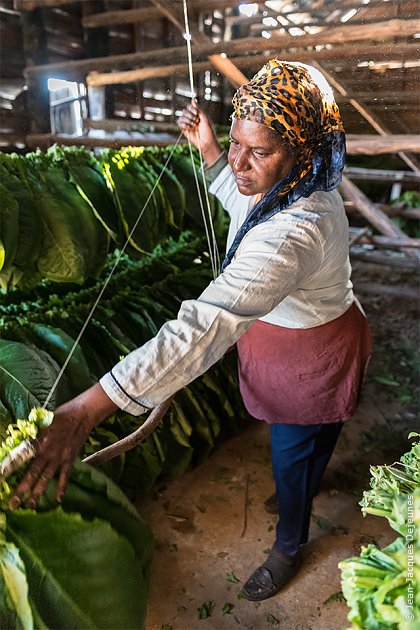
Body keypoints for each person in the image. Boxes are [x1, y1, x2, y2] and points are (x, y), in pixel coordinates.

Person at [11, 60, 371, 602]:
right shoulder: (300, 186)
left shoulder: (295, 232)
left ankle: (289, 545)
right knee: (311, 438)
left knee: (296, 444)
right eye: (235, 143)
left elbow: (201, 329)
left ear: (301, 150)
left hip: (312, 350)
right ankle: (302, 490)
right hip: (314, 333)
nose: (240, 163)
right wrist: (209, 150)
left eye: (260, 151)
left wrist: (85, 410)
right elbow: (244, 200)